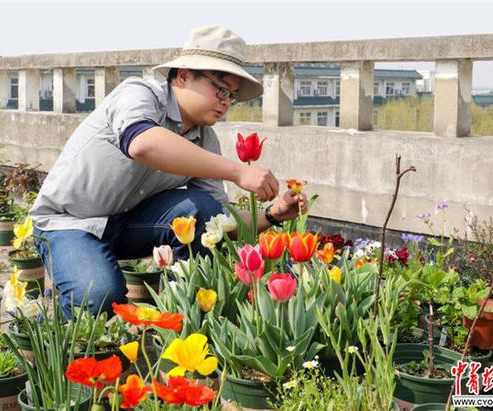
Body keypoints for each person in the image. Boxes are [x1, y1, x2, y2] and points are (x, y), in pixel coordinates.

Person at [30, 26, 308, 318]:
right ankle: (56, 341)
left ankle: (180, 320)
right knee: (98, 296)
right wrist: (238, 171)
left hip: (127, 224)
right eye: (221, 88)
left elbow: (220, 223)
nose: (226, 101)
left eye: (233, 96)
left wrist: (273, 213)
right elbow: (142, 143)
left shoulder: (204, 139)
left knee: (202, 209)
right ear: (184, 75)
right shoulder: (140, 93)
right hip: (68, 223)